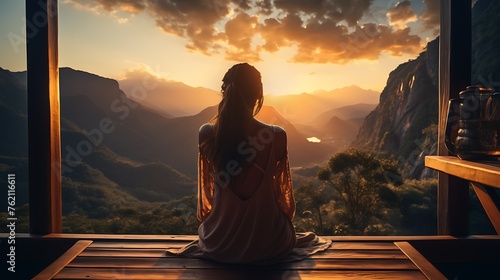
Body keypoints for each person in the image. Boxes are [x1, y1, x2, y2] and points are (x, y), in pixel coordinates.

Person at [166, 63, 331, 264]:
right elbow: (284, 203)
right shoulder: (276, 136)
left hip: (219, 245)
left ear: (224, 93)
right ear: (259, 96)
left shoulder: (206, 134)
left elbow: (207, 200)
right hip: (270, 245)